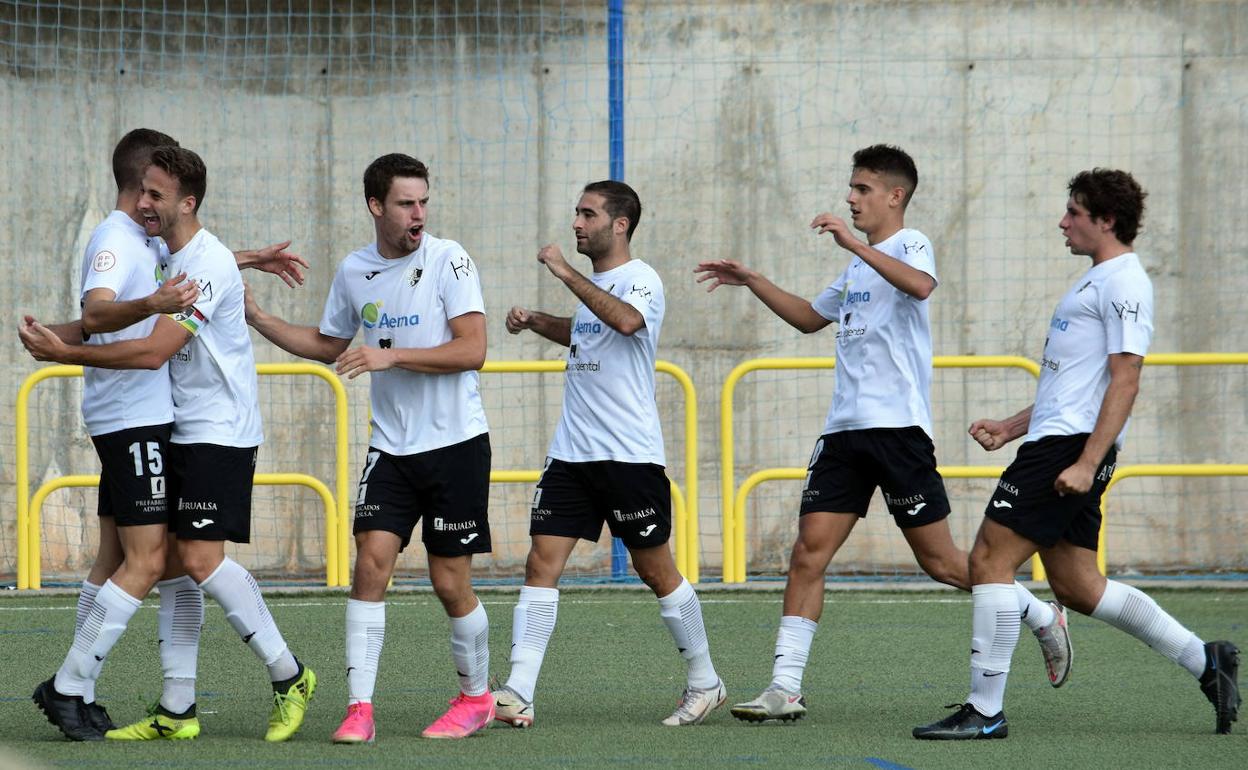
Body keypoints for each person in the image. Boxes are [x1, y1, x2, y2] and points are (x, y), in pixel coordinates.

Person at [693, 145, 1061, 723]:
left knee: (941, 564)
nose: (850, 198)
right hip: (843, 435)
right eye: (851, 188)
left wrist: (854, 244)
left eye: (862, 189)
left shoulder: (908, 245)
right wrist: (753, 280)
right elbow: (810, 317)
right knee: (807, 554)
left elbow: (920, 286)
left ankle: (1037, 613)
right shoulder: (857, 265)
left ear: (895, 195)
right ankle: (784, 687)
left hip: (898, 433)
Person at [913, 168, 1240, 740]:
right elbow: (1073, 386)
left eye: (1074, 213)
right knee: (1079, 587)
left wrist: (1087, 461)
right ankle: (1205, 659)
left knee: (989, 560)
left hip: (1070, 450)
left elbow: (1126, 378)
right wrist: (1012, 426)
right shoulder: (1094, 282)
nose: (1062, 222)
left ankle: (984, 710)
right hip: (1059, 442)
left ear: (1106, 220)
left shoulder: (1125, 283)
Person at [21, 146, 316, 743]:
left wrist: (66, 353)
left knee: (200, 561)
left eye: (156, 195)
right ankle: (178, 708)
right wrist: (60, 332)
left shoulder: (199, 264)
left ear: (188, 203)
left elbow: (154, 348)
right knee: (177, 568)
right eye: (143, 191)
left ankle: (290, 675)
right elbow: (139, 298)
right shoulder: (165, 251)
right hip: (180, 427)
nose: (143, 203)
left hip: (219, 431)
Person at [245, 153, 493, 743]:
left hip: (456, 444)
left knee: (450, 582)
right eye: (407, 203)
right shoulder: (356, 271)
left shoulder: (449, 258)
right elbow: (329, 342)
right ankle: (360, 708)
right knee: (370, 564)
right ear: (376, 206)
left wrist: (392, 354)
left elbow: (472, 349)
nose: (419, 214)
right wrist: (259, 317)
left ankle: (477, 697)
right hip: (391, 449)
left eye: (424, 201)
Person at [493, 180, 725, 728]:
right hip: (572, 454)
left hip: (628, 457)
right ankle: (518, 692)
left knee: (655, 570)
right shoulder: (597, 288)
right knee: (540, 563)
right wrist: (535, 322)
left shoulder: (640, 280)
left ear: (619, 224)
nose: (576, 223)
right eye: (576, 212)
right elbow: (586, 331)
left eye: (588, 214)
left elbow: (623, 322)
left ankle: (705, 681)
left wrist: (561, 271)